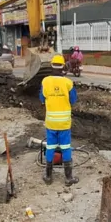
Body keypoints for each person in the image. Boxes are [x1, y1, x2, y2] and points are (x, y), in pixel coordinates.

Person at [40, 54, 78, 186]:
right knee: (66, 148)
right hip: (64, 123)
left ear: (51, 66)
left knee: (50, 147)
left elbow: (42, 99)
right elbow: (73, 100)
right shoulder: (68, 83)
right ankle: (68, 178)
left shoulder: (45, 81)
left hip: (51, 122)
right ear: (63, 66)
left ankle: (48, 177)